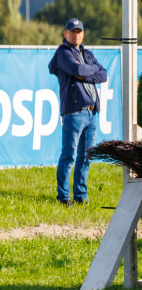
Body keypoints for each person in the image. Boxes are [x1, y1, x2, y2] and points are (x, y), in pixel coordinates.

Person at [48, 18, 106, 206]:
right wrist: (90, 71)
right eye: (72, 31)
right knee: (69, 156)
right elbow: (77, 69)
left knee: (86, 157)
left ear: (83, 34)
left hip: (91, 113)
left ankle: (81, 197)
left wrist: (85, 75)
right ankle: (63, 198)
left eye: (79, 31)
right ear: (65, 33)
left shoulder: (87, 53)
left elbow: (103, 74)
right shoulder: (63, 53)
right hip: (74, 112)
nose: (76, 34)